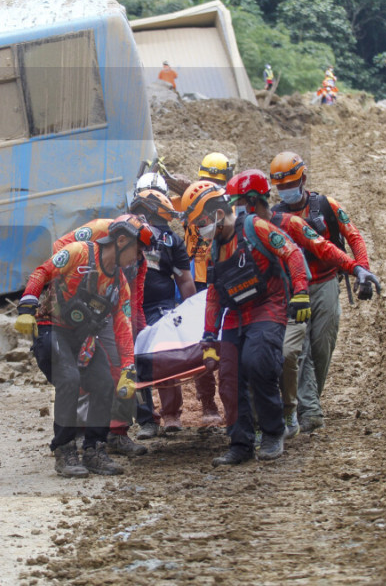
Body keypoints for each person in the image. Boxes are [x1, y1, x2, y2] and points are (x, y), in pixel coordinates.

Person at [226, 169, 375, 440]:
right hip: (277, 299)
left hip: (316, 285)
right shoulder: (241, 231)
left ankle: (299, 409)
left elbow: (324, 247)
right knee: (283, 355)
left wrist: (358, 268)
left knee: (316, 348)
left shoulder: (295, 220)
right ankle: (292, 413)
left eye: (237, 203)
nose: (234, 210)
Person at [179, 181, 310, 466]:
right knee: (229, 378)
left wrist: (300, 291)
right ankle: (240, 443)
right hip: (235, 314)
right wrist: (209, 335)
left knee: (258, 362)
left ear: (217, 214)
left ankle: (273, 433)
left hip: (267, 305)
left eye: (200, 223)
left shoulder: (255, 227)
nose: (199, 229)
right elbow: (214, 294)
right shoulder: (214, 248)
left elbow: (292, 252)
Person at [15, 214, 155, 477]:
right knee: (69, 379)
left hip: (83, 337)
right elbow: (42, 271)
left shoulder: (119, 284)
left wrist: (127, 368)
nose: (138, 258)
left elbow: (123, 326)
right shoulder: (79, 252)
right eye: (138, 251)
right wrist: (26, 306)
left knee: (104, 383)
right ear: (121, 241)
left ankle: (94, 450)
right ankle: (65, 450)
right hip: (51, 328)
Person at [269, 151, 380, 434]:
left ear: (303, 179)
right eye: (280, 186)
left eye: (290, 184)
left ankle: (309, 402)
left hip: (326, 281)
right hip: (294, 289)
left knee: (322, 345)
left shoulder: (327, 206)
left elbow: (353, 236)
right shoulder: (276, 216)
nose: (286, 190)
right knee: (298, 349)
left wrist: (362, 271)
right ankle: (309, 409)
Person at [127, 187, 197, 436]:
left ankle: (171, 414)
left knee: (163, 356)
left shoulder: (172, 241)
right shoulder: (124, 233)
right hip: (128, 307)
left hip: (160, 307)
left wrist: (192, 313)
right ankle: (146, 419)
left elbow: (184, 279)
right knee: (132, 361)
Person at [181, 153, 234, 428]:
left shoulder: (228, 208)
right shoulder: (194, 203)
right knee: (205, 342)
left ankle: (222, 403)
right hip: (200, 279)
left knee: (220, 341)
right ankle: (209, 402)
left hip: (218, 277)